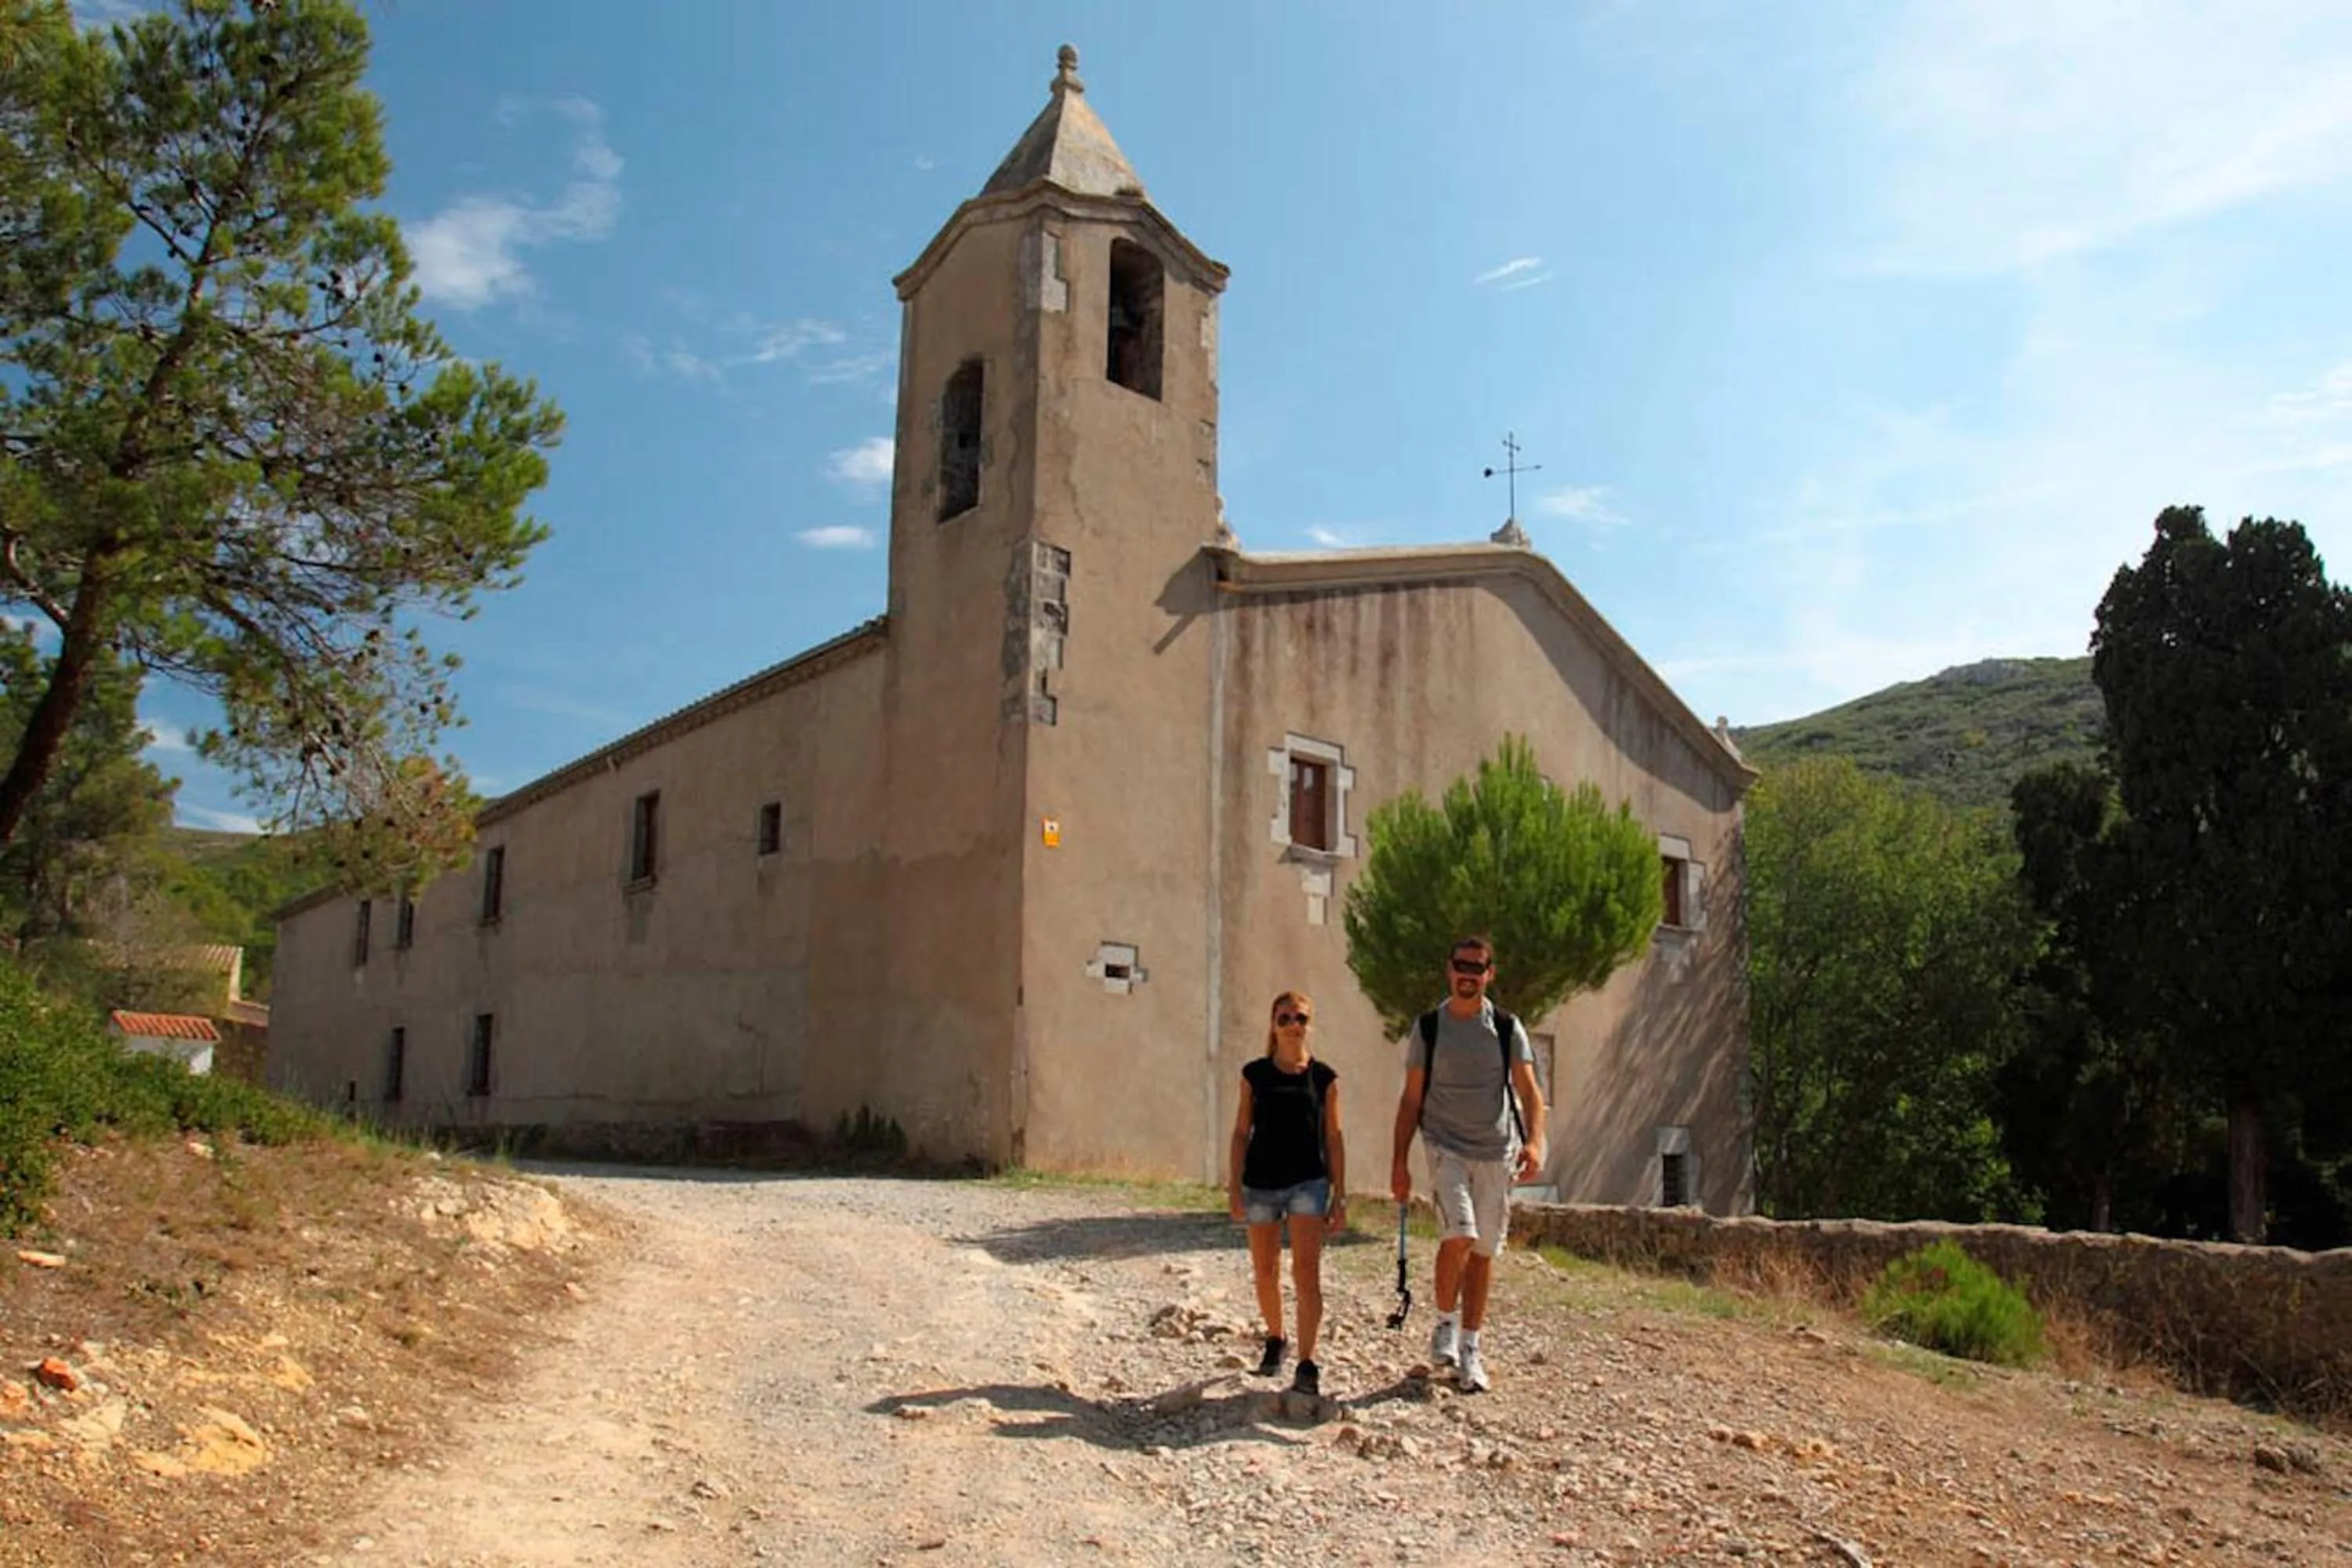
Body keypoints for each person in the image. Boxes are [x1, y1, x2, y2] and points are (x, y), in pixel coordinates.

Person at [1388, 935, 1546, 1392]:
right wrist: (1399, 1163)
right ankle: (1444, 1322)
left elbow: (1531, 1092)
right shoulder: (1429, 1028)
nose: (1468, 976)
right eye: (1461, 966)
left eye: (1477, 969)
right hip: (1445, 1146)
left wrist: (1535, 1143)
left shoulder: (1505, 1027)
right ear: (1448, 969)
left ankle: (1471, 1347)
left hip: (1496, 1151)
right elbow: (1410, 1099)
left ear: (1489, 974)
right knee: (1460, 1234)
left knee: (1483, 1253)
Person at [1227, 990, 1346, 1398]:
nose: (1294, 1025)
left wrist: (1340, 1193)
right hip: (1261, 1183)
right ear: (1273, 1025)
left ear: (1309, 1025)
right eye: (1285, 1018)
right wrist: (1234, 1187)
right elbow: (1242, 1132)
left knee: (1307, 1273)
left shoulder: (1324, 1079)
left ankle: (1308, 1362)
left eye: (1301, 1018)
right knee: (1265, 1271)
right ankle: (1276, 1337)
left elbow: (1333, 1137)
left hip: (1308, 1183)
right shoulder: (1254, 1075)